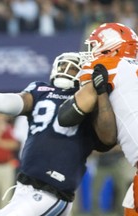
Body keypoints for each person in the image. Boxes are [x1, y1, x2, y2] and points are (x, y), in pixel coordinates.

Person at [0, 52, 117, 216]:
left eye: (73, 68)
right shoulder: (40, 90)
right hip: (25, 187)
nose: (66, 70)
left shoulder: (87, 100)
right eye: (63, 65)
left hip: (51, 191)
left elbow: (108, 138)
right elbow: (10, 102)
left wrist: (101, 94)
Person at [57, 22, 138, 216]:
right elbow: (108, 138)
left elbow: (66, 116)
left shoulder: (108, 64)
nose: (91, 51)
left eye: (94, 45)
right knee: (130, 206)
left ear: (112, 46)